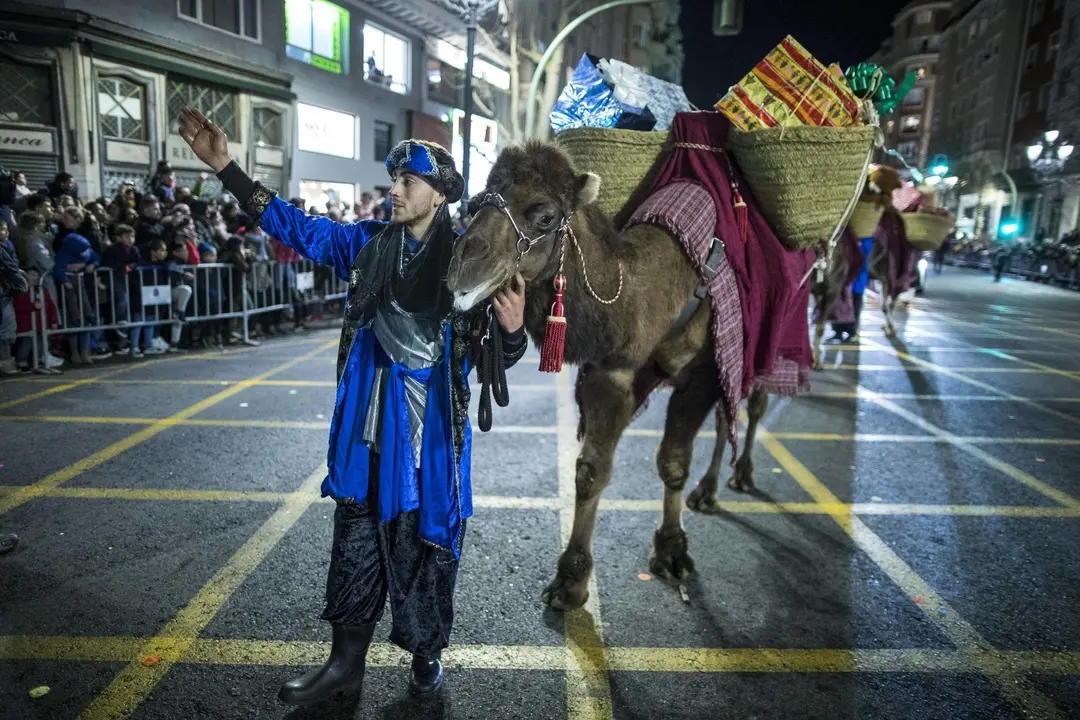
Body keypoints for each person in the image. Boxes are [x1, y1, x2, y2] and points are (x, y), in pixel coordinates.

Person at [178, 106, 529, 704]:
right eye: (394, 180)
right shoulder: (365, 243)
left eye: (408, 181)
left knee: (424, 549)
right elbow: (295, 226)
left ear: (439, 194)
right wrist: (226, 168)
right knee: (355, 543)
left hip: (428, 441)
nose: (394, 190)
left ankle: (425, 656)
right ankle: (345, 665)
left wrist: (515, 331)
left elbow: (496, 357)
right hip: (364, 430)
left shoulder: (468, 259)